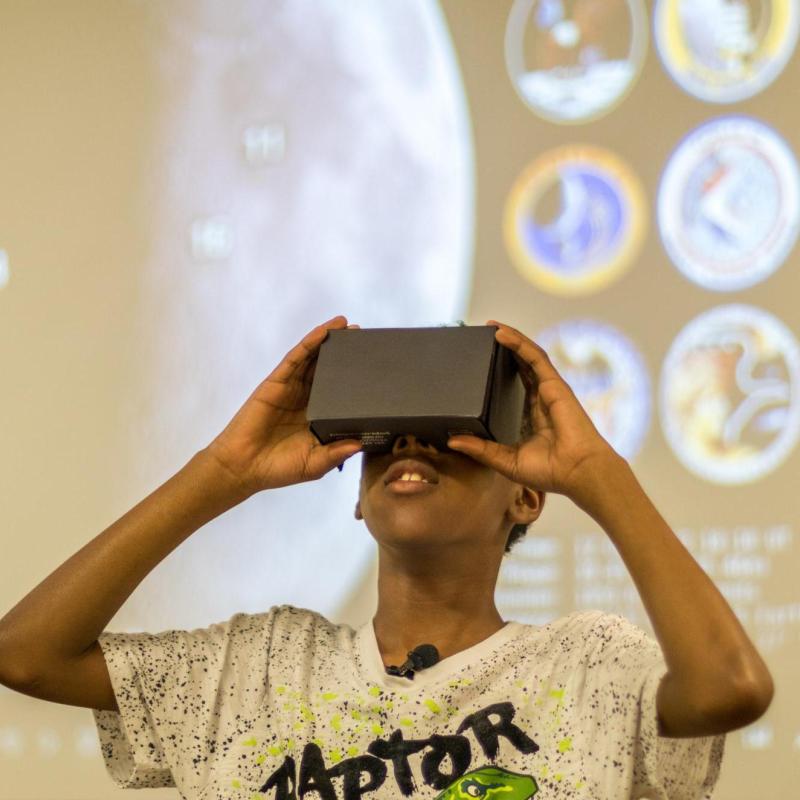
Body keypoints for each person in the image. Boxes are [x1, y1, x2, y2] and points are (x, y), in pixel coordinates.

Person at [0, 315, 774, 800]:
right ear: (359, 499)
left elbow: (730, 689)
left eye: (450, 433)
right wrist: (223, 473)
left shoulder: (588, 668)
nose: (411, 443)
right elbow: (27, 654)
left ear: (525, 496)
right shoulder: (259, 669)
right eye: (388, 435)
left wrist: (598, 476)